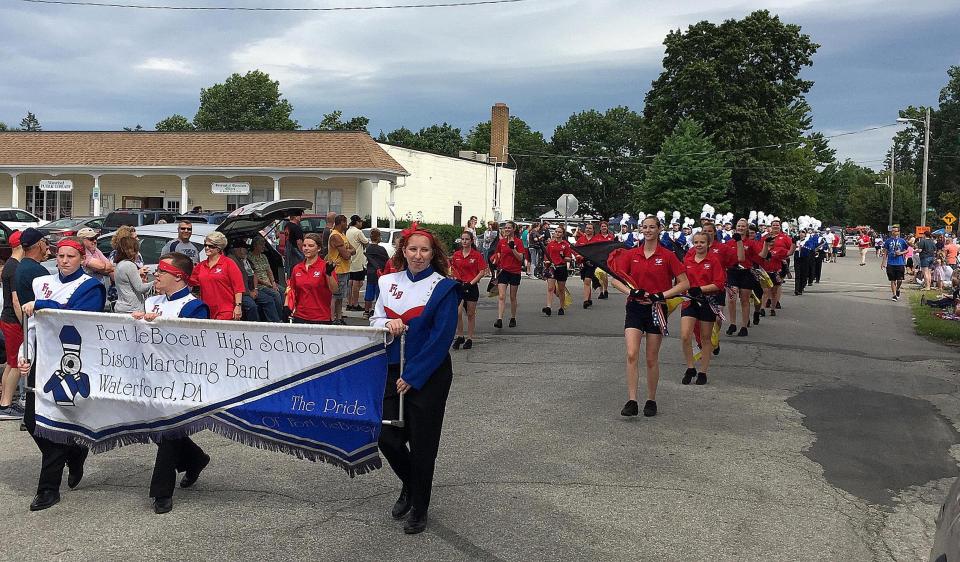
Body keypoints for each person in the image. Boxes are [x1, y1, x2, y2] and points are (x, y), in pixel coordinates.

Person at [370, 224, 460, 535]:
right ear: (403, 251)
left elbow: (442, 336)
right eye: (412, 249)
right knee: (386, 436)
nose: (418, 255)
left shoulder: (444, 287)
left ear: (433, 254)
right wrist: (387, 322)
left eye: (424, 250)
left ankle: (419, 506)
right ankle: (410, 483)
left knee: (423, 444)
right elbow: (375, 317)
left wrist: (414, 375)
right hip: (392, 368)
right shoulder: (387, 281)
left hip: (429, 373)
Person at [18, 236, 106, 511]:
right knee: (33, 422)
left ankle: (48, 489)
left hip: (73, 363)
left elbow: (79, 317)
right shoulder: (41, 283)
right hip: (43, 360)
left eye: (71, 256)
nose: (64, 261)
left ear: (82, 259)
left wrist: (44, 306)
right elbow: (33, 326)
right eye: (60, 256)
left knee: (54, 425)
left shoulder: (91, 286)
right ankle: (75, 451)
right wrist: (25, 354)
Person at [134, 252, 210, 514]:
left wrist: (163, 327)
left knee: (166, 433)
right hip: (151, 376)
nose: (156, 275)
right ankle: (196, 459)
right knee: (160, 430)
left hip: (179, 380)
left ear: (178, 277)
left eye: (161, 272)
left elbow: (194, 346)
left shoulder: (194, 306)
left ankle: (161, 492)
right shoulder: (151, 300)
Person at [608, 215, 688, 418]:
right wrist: (630, 292)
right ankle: (632, 400)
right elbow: (614, 280)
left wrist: (661, 295)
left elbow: (683, 283)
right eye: (645, 227)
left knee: (651, 357)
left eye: (652, 227)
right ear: (640, 230)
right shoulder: (631, 254)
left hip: (657, 309)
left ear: (659, 229)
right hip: (634, 308)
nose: (648, 230)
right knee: (632, 353)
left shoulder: (668, 255)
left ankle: (651, 399)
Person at [681, 231, 726, 385]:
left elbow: (719, 283)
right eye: (696, 242)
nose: (699, 245)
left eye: (702, 242)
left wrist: (701, 289)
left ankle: (703, 371)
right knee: (685, 335)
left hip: (707, 301)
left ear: (708, 244)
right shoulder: (687, 259)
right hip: (689, 300)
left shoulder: (713, 260)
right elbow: (681, 279)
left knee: (706, 337)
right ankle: (690, 367)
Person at [191, 231, 244, 320]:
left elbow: (238, 287)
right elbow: (189, 280)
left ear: (219, 248)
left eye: (211, 246)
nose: (207, 248)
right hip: (206, 309)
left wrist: (238, 306)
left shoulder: (228, 263)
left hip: (225, 310)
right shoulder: (201, 265)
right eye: (205, 245)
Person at [287, 233, 338, 324]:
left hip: (320, 317)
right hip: (299, 316)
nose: (306, 248)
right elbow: (291, 290)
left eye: (311, 246)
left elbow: (334, 290)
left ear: (318, 248)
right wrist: (286, 308)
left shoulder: (325, 266)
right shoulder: (297, 268)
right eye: (304, 246)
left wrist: (329, 274)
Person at [0, 231, 23, 420]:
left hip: (6, 318)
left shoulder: (9, 264)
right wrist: (23, 322)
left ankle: (4, 402)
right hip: (13, 320)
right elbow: (16, 300)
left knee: (10, 362)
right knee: (16, 363)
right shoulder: (15, 267)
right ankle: (6, 405)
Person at [450, 231, 486, 349]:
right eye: (463, 239)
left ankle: (470, 338)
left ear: (471, 240)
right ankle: (460, 335)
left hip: (471, 286)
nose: (464, 241)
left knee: (470, 314)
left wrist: (471, 283)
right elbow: (453, 269)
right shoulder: (456, 255)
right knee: (458, 312)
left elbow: (481, 272)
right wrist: (455, 278)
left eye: (466, 239)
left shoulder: (476, 255)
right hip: (459, 285)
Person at [725, 219, 759, 337]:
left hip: (746, 273)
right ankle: (732, 323)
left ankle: (744, 326)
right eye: (739, 226)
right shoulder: (729, 242)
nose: (740, 228)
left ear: (746, 228)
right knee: (731, 298)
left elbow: (758, 256)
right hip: (732, 272)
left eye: (743, 226)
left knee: (744, 300)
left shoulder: (751, 243)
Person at [491, 221, 526, 328]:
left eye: (509, 228)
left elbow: (520, 258)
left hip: (515, 271)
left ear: (514, 229)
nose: (507, 229)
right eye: (505, 228)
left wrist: (513, 249)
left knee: (512, 296)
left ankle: (513, 317)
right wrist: (495, 259)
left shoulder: (518, 242)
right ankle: (499, 319)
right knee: (501, 296)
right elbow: (497, 252)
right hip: (504, 271)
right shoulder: (501, 242)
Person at [325, 215, 355, 325]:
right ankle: (332, 318)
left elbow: (354, 249)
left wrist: (348, 251)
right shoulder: (335, 236)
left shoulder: (342, 235)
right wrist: (348, 251)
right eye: (345, 222)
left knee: (340, 296)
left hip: (345, 269)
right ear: (341, 222)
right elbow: (346, 255)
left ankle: (339, 317)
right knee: (335, 296)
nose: (347, 225)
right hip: (337, 269)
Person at [112, 236, 154, 313]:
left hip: (122, 307)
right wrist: (155, 282)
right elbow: (140, 288)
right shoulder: (129, 265)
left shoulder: (119, 264)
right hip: (132, 310)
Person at [248, 236, 284, 322]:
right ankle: (278, 319)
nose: (264, 246)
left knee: (283, 290)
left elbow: (269, 271)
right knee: (276, 294)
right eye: (261, 245)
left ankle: (284, 315)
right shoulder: (249, 257)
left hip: (268, 282)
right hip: (260, 285)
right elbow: (254, 275)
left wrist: (273, 283)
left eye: (264, 244)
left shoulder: (263, 256)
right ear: (255, 246)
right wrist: (266, 284)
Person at [227, 243, 264, 322]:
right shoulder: (231, 260)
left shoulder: (241, 260)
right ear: (237, 249)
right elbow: (240, 281)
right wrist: (249, 293)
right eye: (244, 249)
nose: (246, 252)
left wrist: (255, 289)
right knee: (252, 306)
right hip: (241, 293)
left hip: (250, 289)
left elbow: (253, 273)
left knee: (269, 299)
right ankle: (254, 327)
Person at [542, 225, 572, 317]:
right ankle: (548, 307)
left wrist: (564, 258)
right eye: (556, 231)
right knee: (550, 288)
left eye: (559, 232)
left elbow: (569, 258)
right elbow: (546, 255)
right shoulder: (550, 244)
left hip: (561, 267)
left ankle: (561, 307)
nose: (557, 233)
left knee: (561, 289)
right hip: (552, 267)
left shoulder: (565, 245)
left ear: (563, 234)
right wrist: (546, 261)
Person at [345, 215, 370, 312]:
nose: (362, 223)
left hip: (350, 260)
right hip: (358, 260)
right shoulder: (358, 232)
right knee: (357, 282)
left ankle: (349, 303)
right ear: (357, 222)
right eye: (360, 222)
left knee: (350, 282)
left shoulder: (348, 231)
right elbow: (366, 242)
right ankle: (355, 304)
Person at [364, 229, 390, 318]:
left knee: (369, 292)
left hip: (370, 272)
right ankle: (376, 311)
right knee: (378, 293)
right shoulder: (381, 249)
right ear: (378, 237)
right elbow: (387, 260)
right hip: (380, 273)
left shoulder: (368, 248)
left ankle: (366, 311)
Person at [575, 223, 600, 308]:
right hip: (582, 263)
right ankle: (589, 298)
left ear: (593, 230)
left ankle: (585, 301)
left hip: (592, 263)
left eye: (590, 228)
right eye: (587, 228)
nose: (588, 229)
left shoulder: (596, 240)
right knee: (585, 281)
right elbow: (575, 250)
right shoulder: (581, 239)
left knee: (587, 280)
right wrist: (577, 256)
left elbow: (598, 251)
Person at [881, 227, 908, 300]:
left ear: (898, 232)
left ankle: (898, 289)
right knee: (892, 280)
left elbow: (907, 250)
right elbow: (885, 252)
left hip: (900, 263)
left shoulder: (902, 241)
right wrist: (883, 262)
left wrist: (901, 253)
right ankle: (894, 295)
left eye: (895, 231)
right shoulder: (888, 241)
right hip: (890, 263)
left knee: (899, 280)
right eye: (892, 231)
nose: (893, 232)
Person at [595, 221, 616, 298]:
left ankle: (605, 290)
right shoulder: (597, 237)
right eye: (602, 226)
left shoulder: (611, 237)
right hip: (599, 257)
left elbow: (613, 247)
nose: (604, 228)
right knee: (599, 273)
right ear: (600, 228)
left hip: (607, 257)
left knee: (604, 274)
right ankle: (601, 291)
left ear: (607, 227)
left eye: (605, 226)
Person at [284, 211, 305, 278]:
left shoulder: (287, 226)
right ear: (296, 217)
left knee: (289, 267)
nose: (300, 217)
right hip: (295, 250)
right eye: (299, 216)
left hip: (288, 249)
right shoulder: (296, 228)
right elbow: (299, 242)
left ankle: (290, 280)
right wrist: (302, 251)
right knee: (298, 266)